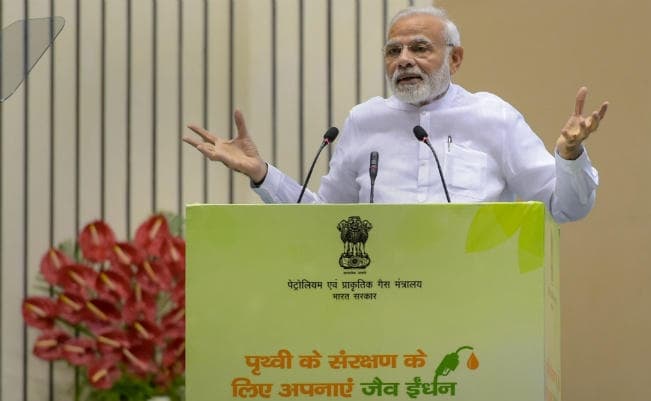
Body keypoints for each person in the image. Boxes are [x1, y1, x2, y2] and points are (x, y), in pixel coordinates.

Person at [183, 5, 608, 223]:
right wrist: (262, 174)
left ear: (455, 58)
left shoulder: (494, 117)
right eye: (393, 50)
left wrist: (570, 156)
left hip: (476, 300)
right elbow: (322, 221)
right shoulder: (363, 121)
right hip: (382, 309)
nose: (403, 59)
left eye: (419, 47)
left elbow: (565, 208)